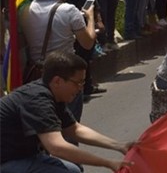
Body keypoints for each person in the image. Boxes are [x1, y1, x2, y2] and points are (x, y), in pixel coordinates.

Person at [0, 51, 134, 172]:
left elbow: (74, 129)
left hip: (22, 156)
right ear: (57, 81)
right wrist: (108, 163)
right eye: (78, 83)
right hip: (7, 161)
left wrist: (119, 145)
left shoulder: (52, 95)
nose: (81, 89)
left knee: (73, 170)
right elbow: (57, 147)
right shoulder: (37, 100)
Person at [21, 0, 96, 120]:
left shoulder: (25, 9)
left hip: (37, 74)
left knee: (44, 129)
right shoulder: (69, 10)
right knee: (69, 126)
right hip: (66, 75)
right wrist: (90, 18)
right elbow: (87, 43)